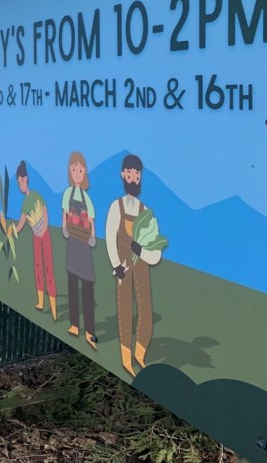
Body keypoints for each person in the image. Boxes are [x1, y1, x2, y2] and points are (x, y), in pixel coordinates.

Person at [105, 153, 163, 376]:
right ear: (122, 174)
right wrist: (117, 264)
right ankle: (126, 357)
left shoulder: (146, 212)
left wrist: (142, 251)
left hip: (141, 265)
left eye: (137, 174)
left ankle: (140, 352)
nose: (133, 178)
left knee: (145, 308)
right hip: (123, 263)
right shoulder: (116, 207)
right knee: (125, 308)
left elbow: (155, 252)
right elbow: (110, 237)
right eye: (129, 173)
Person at [8, 160, 57, 321]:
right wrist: (13, 230)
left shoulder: (35, 195)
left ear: (27, 179)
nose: (21, 184)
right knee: (38, 266)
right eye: (18, 182)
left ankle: (54, 306)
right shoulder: (25, 203)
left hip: (45, 234)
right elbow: (22, 222)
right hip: (36, 236)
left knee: (48, 267)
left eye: (22, 180)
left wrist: (44, 228)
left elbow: (44, 210)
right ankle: (41, 302)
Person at [61, 151, 98, 351]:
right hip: (73, 240)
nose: (77, 172)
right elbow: (65, 213)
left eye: (80, 169)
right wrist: (65, 228)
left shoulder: (86, 197)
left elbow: (91, 219)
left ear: (84, 172)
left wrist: (92, 236)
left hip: (84, 241)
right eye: (74, 169)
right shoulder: (68, 194)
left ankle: (90, 330)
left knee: (88, 285)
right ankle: (75, 324)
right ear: (70, 171)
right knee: (72, 283)